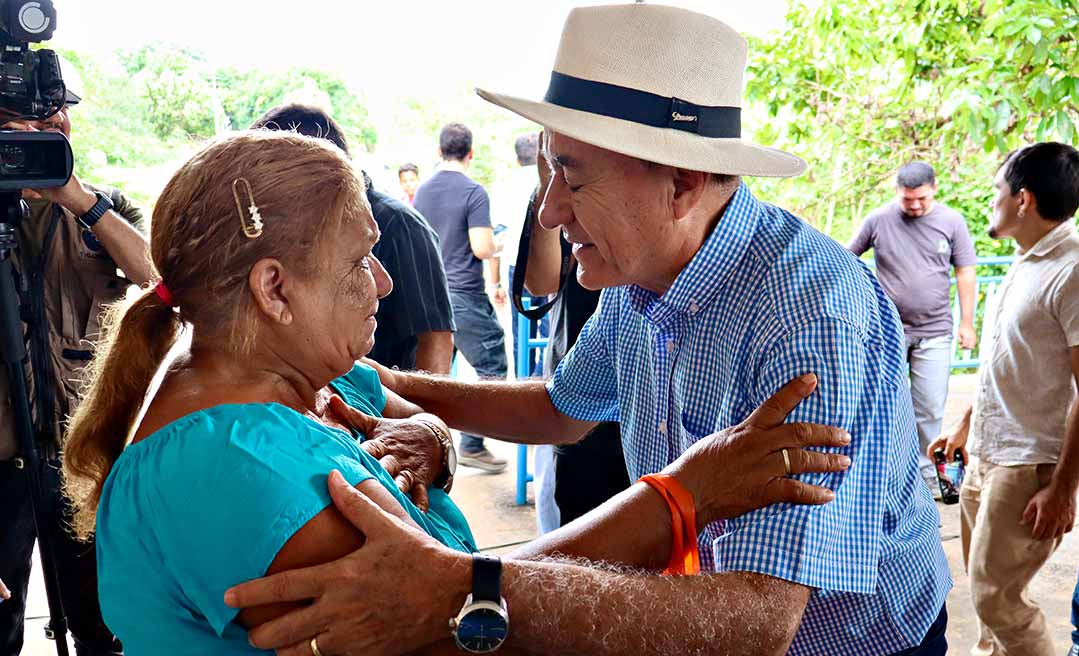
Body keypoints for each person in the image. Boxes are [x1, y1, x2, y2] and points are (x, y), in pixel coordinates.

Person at [225, 5, 951, 655]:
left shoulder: (807, 317)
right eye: (547, 177)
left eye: (573, 178)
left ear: (682, 181)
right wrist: (388, 386)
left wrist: (458, 591)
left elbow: (758, 620)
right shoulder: (643, 279)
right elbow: (560, 409)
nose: (549, 214)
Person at [60, 131, 848, 656]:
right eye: (360, 259)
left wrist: (435, 439)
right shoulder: (235, 468)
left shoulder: (302, 378)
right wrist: (682, 495)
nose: (386, 282)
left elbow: (444, 412)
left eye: (571, 177)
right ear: (274, 290)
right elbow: (445, 633)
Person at [0, 91, 152, 656]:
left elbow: (161, 279)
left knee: (103, 618)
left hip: (82, 450)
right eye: (25, 120)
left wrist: (78, 200)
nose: (48, 125)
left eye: (55, 113)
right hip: (3, 456)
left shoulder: (105, 208)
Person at [928, 142, 1079, 656]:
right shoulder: (1024, 262)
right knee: (986, 595)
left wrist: (1062, 489)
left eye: (997, 190)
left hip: (1029, 464)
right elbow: (1005, 363)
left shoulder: (1072, 269)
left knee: (999, 601)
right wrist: (966, 425)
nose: (991, 200)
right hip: (988, 455)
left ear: (1023, 199)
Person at [252, 104, 456, 373]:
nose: (381, 284)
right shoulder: (284, 228)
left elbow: (436, 338)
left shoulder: (400, 225)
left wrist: (424, 410)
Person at [512, 141, 630, 530]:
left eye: (575, 179)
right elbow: (540, 279)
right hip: (577, 372)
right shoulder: (625, 295)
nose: (553, 211)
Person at [850, 162, 977, 496]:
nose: (915, 205)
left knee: (930, 407)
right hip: (888, 331)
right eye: (907, 200)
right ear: (897, 192)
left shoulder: (952, 222)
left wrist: (967, 323)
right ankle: (886, 475)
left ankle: (926, 478)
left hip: (935, 330)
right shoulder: (878, 220)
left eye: (920, 198)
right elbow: (847, 260)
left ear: (934, 188)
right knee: (884, 401)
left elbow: (965, 272)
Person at [413, 123, 508, 472]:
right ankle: (471, 444)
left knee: (434, 375)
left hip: (430, 291)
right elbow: (481, 247)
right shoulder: (474, 192)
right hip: (464, 292)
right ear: (470, 154)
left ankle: (428, 443)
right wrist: (498, 242)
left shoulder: (422, 191)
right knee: (492, 366)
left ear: (439, 152)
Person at [493, 133, 548, 378]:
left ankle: (523, 381)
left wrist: (495, 282)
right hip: (551, 264)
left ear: (517, 158)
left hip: (518, 266)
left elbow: (499, 234)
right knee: (549, 332)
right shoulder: (548, 177)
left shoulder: (507, 183)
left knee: (521, 333)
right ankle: (544, 379)